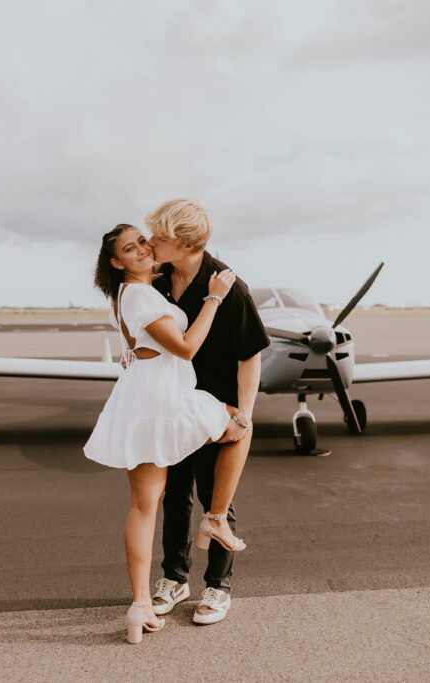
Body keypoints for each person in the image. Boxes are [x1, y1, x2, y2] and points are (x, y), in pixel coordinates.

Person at [83, 222, 253, 645]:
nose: (142, 249)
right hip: (163, 399)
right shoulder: (140, 294)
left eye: (143, 241)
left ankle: (141, 603)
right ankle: (215, 520)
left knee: (145, 506)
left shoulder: (128, 293)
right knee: (240, 422)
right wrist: (213, 297)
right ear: (116, 261)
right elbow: (186, 348)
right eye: (130, 248)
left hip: (140, 397)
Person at [146, 199, 269, 626]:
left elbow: (249, 356)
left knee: (217, 499)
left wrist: (244, 416)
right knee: (174, 496)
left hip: (218, 408)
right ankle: (175, 579)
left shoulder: (230, 288)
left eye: (158, 238)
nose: (150, 243)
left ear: (185, 243)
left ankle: (218, 588)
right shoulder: (156, 281)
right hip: (173, 406)